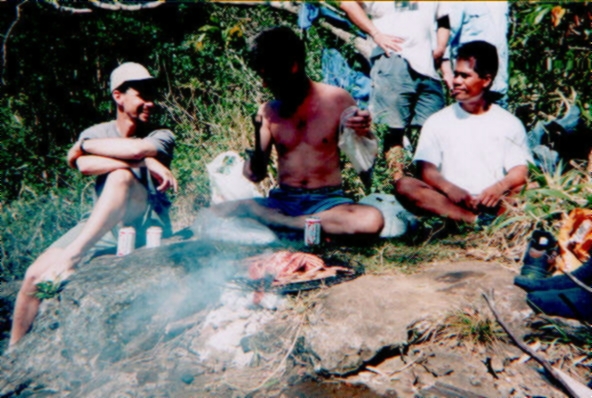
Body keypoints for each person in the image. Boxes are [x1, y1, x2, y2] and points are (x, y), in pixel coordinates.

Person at [9, 62, 177, 347]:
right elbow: (84, 165)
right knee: (34, 276)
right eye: (142, 95)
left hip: (145, 220)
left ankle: (73, 257)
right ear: (118, 96)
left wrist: (84, 147)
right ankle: (13, 354)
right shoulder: (97, 130)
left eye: (152, 95)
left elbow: (107, 152)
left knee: (121, 177)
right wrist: (143, 161)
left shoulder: (161, 134)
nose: (150, 103)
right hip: (102, 223)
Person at [209, 26, 384, 238]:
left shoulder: (337, 99)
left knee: (371, 219)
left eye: (269, 76)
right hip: (284, 201)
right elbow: (255, 175)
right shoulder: (268, 111)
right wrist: (255, 149)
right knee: (216, 212)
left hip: (327, 203)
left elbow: (363, 154)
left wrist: (362, 131)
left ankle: (288, 226)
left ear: (292, 67)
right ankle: (305, 227)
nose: (264, 84)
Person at [395, 41, 531, 224]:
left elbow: (520, 169)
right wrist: (450, 189)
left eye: (465, 76)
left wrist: (499, 187)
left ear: (486, 80)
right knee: (405, 185)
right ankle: (473, 221)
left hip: (494, 200)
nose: (457, 81)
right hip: (451, 200)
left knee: (532, 188)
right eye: (456, 74)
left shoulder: (509, 123)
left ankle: (496, 219)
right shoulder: (437, 121)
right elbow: (427, 170)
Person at [339, 1, 451, 180]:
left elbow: (444, 19)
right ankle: (398, 186)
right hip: (393, 59)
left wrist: (441, 48)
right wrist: (376, 34)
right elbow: (348, 3)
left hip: (428, 68)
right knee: (393, 130)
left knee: (433, 131)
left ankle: (427, 187)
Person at [440, 1, 509, 106]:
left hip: (498, 86)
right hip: (470, 87)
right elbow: (444, 36)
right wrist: (446, 72)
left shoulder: (502, 3)